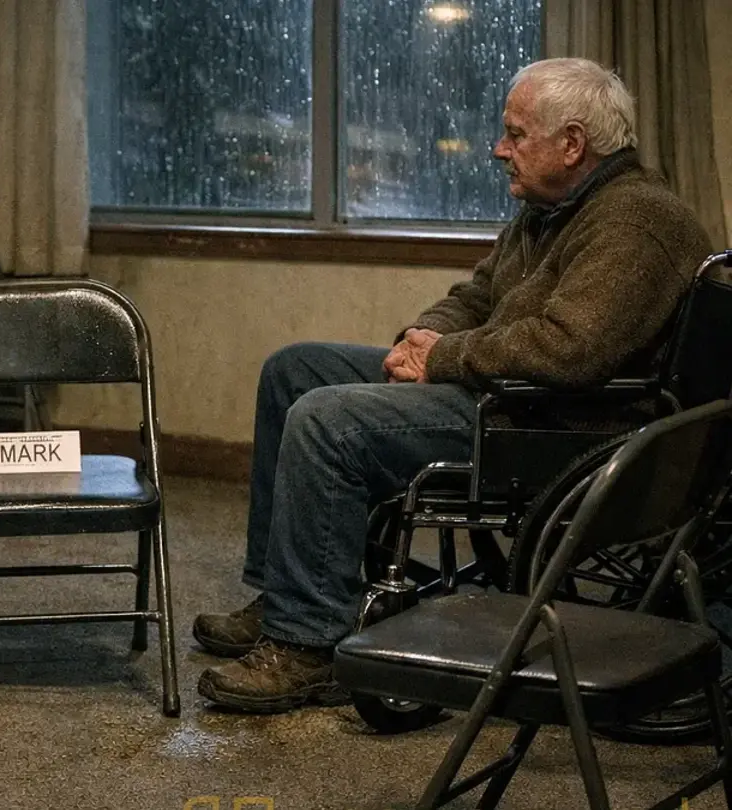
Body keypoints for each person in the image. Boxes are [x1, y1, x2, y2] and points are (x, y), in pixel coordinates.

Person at [190, 58, 713, 713]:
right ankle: (286, 597)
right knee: (294, 371)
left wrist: (442, 359)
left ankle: (308, 643)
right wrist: (421, 339)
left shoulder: (636, 221)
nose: (499, 149)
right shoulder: (549, 209)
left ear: (573, 144)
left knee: (327, 420)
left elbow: (568, 349)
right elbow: (475, 296)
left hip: (557, 428)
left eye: (516, 135)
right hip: (505, 395)